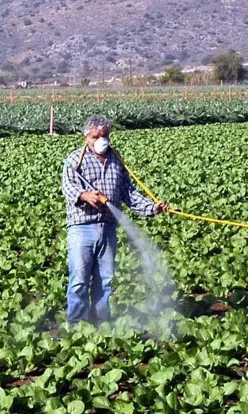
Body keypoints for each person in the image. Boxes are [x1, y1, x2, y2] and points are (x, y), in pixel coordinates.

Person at [61, 114, 170, 325]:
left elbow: (129, 193)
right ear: (86, 137)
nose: (101, 140)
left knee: (105, 281)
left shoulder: (116, 160)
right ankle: (75, 326)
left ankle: (101, 323)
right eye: (95, 136)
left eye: (105, 136)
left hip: (108, 227)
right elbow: (68, 187)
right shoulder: (75, 160)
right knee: (79, 281)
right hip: (82, 227)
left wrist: (153, 207)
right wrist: (86, 196)